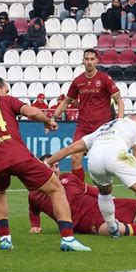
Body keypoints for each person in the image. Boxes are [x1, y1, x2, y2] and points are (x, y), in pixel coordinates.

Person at [0, 75, 91, 252]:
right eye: (5, 90)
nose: (6, 93)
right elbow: (32, 112)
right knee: (56, 188)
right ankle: (68, 239)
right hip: (17, 155)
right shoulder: (6, 100)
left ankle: (5, 239)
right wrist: (48, 120)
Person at [45, 114, 136, 243]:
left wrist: (47, 162)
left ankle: (112, 228)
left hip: (94, 159)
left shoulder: (104, 127)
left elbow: (71, 148)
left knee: (105, 192)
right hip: (116, 154)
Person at [52, 48, 125, 182]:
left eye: (92, 59)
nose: (89, 62)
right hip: (83, 127)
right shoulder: (78, 81)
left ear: (97, 61)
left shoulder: (104, 79)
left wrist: (119, 122)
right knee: (75, 159)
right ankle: (78, 192)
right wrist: (52, 118)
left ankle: (105, 194)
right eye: (87, 59)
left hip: (101, 128)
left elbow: (119, 100)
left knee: (101, 164)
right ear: (83, 61)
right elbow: (66, 101)